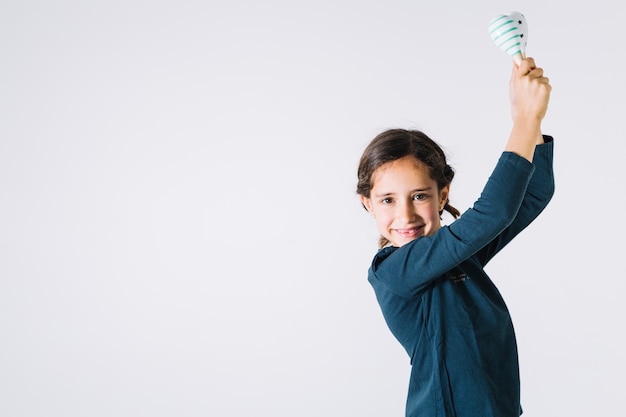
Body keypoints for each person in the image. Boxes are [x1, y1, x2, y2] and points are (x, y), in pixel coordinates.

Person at [356, 57, 553, 417]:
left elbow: (534, 193)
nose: (406, 215)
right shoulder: (393, 270)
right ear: (367, 204)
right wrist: (524, 120)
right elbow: (492, 213)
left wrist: (529, 121)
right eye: (387, 200)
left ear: (442, 195)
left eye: (419, 196)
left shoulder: (459, 256)